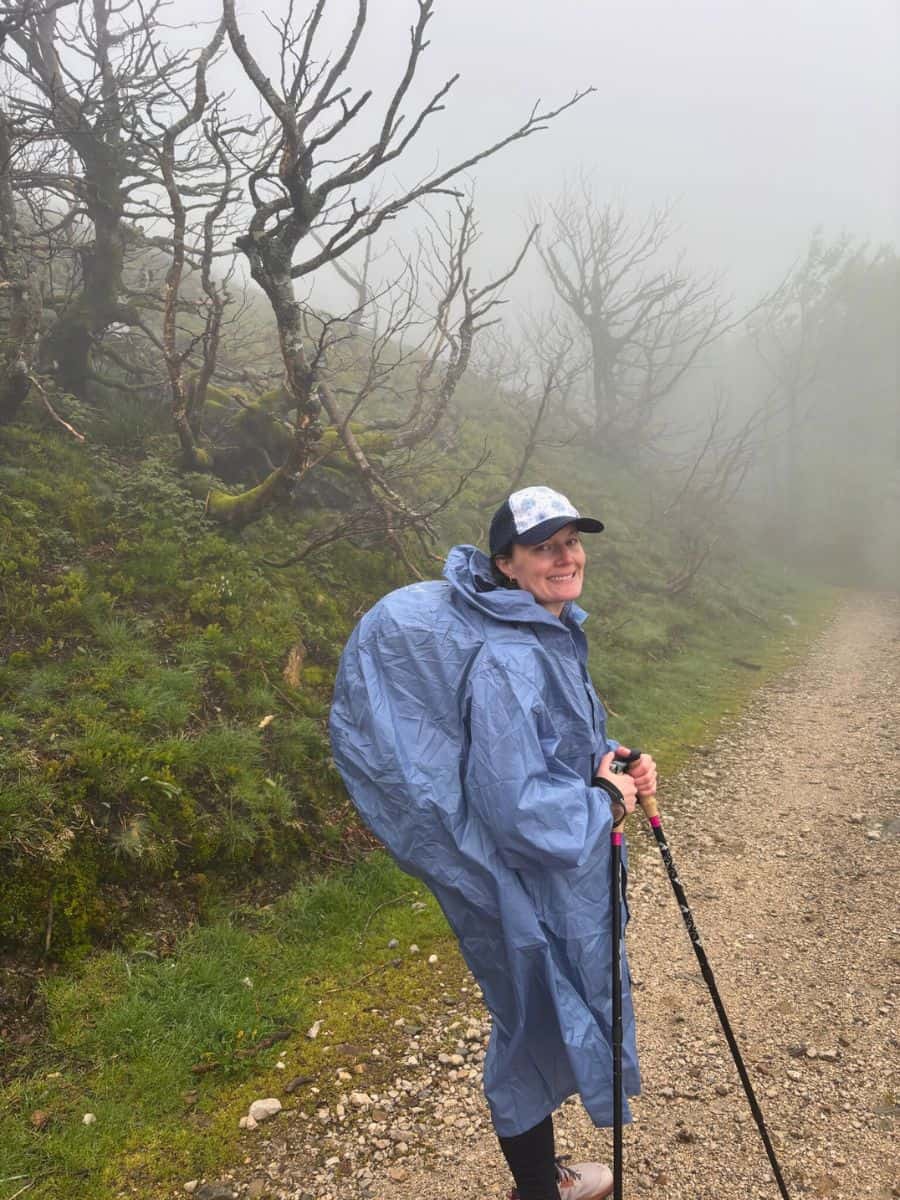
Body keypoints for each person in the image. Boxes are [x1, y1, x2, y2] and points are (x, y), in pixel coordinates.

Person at [329, 485, 657, 1200]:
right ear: (506, 564)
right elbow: (517, 808)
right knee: (530, 1018)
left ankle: (544, 1180)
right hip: (523, 872)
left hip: (545, 869)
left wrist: (613, 759)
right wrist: (604, 800)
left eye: (572, 541)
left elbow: (553, 743)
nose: (566, 557)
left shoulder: (545, 626)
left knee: (542, 1010)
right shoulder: (510, 654)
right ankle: (538, 1191)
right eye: (544, 547)